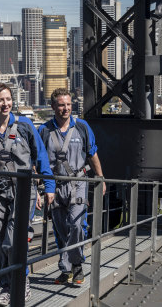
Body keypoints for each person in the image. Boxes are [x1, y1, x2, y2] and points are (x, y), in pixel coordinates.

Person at [0, 83, 54, 306]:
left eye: (8, 99)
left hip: (23, 192)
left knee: (13, 241)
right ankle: (7, 286)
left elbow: (41, 157)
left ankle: (20, 284)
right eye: (0, 100)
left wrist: (49, 188)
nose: (5, 104)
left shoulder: (25, 126)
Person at [39, 88, 106, 285]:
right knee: (61, 230)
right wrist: (36, 186)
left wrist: (100, 177)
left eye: (68, 104)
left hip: (78, 182)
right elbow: (37, 160)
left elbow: (92, 154)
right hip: (55, 185)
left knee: (76, 224)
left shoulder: (82, 127)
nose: (66, 108)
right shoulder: (44, 131)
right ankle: (66, 268)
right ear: (53, 107)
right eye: (61, 105)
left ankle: (76, 265)